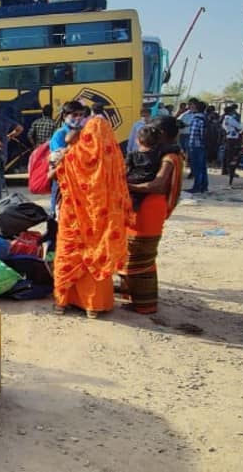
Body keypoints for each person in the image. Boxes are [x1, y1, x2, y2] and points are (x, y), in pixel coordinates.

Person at [53, 117, 131, 319]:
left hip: (73, 216)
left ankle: (63, 302)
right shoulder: (113, 157)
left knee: (69, 253)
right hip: (101, 219)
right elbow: (121, 188)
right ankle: (93, 306)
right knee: (98, 254)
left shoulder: (72, 155)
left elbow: (56, 175)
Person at [117, 116, 186, 314]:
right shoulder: (164, 154)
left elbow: (157, 185)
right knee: (143, 259)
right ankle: (141, 301)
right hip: (143, 208)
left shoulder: (169, 158)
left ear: (161, 135)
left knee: (138, 255)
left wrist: (127, 186)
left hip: (149, 209)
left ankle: (144, 304)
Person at [48, 101, 88, 218]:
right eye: (74, 115)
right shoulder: (60, 134)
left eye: (81, 115)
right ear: (65, 116)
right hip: (62, 180)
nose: (79, 118)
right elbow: (57, 159)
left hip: (79, 180)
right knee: (59, 215)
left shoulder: (84, 131)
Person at [0, 103, 24, 202]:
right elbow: (20, 128)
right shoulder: (5, 119)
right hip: (3, 152)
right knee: (0, 175)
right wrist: (9, 136)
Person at [126, 125, 164, 212]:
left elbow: (126, 169)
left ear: (138, 141)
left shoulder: (132, 154)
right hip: (149, 180)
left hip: (133, 181)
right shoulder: (158, 153)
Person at [185, 100, 208, 194]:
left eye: (192, 105)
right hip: (202, 146)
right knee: (202, 167)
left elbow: (197, 134)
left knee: (196, 167)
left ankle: (197, 187)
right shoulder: (204, 118)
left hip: (196, 146)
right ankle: (204, 186)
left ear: (196, 107)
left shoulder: (196, 119)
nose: (190, 107)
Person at [221, 104, 243, 178]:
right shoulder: (230, 118)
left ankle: (224, 170)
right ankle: (231, 172)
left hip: (227, 137)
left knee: (226, 154)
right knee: (231, 155)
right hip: (232, 138)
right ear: (230, 111)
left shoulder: (225, 119)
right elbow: (240, 127)